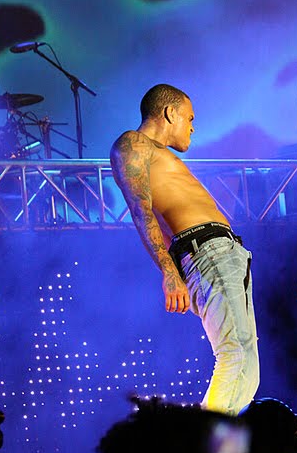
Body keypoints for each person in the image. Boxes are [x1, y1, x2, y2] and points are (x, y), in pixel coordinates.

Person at [110, 83, 259, 415]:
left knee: (247, 366)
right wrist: (170, 273)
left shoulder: (162, 155)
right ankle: (199, 443)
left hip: (224, 253)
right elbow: (141, 210)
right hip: (206, 251)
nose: (192, 127)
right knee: (234, 354)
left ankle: (224, 444)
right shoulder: (134, 143)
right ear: (169, 112)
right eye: (189, 118)